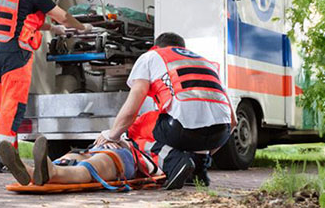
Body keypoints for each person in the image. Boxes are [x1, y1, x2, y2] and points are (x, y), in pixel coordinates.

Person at [0, 0, 92, 172]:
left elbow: (24, 18)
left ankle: (8, 155)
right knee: (13, 108)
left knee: (5, 107)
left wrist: (51, 29)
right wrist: (83, 28)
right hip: (17, 51)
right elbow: (62, 15)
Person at [93, 32, 236, 190]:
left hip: (182, 130)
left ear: (156, 46)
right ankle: (198, 170)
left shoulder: (151, 56)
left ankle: (173, 162)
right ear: (183, 48)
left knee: (135, 128)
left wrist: (112, 135)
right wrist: (203, 152)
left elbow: (131, 111)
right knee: (195, 122)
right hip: (221, 132)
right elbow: (233, 121)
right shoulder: (205, 63)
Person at [0, 134, 160, 189]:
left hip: (126, 154)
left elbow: (156, 169)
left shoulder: (158, 134)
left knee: (89, 163)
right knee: (76, 158)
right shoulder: (158, 126)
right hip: (102, 147)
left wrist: (117, 139)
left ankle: (43, 171)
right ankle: (40, 170)